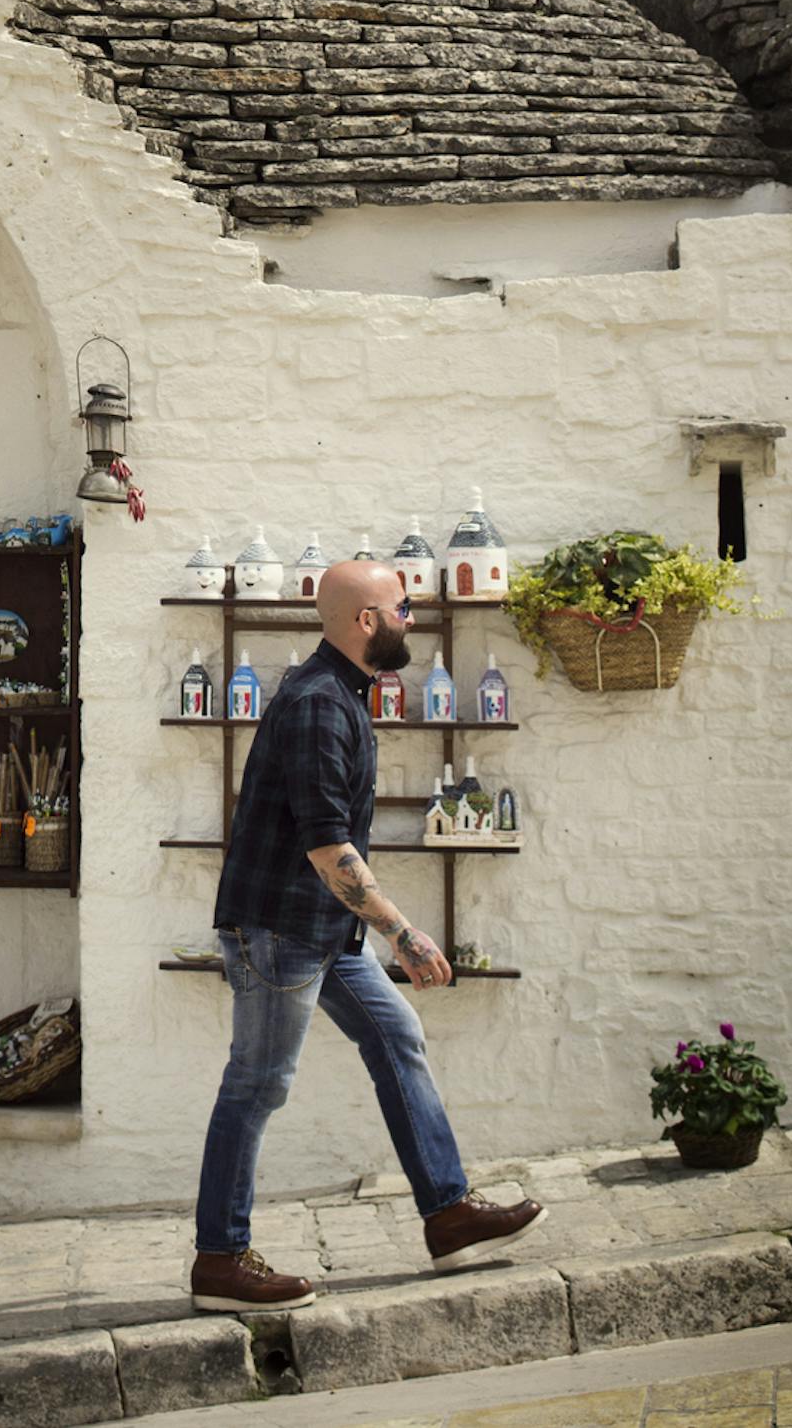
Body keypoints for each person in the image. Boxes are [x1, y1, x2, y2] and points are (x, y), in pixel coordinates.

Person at [189, 557, 543, 1311]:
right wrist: (403, 932)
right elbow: (327, 846)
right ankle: (219, 1260)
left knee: (396, 1038)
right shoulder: (319, 702)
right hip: (282, 930)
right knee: (256, 1086)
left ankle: (448, 1216)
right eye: (402, 608)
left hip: (321, 930)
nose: (410, 619)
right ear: (365, 621)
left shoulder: (340, 693)